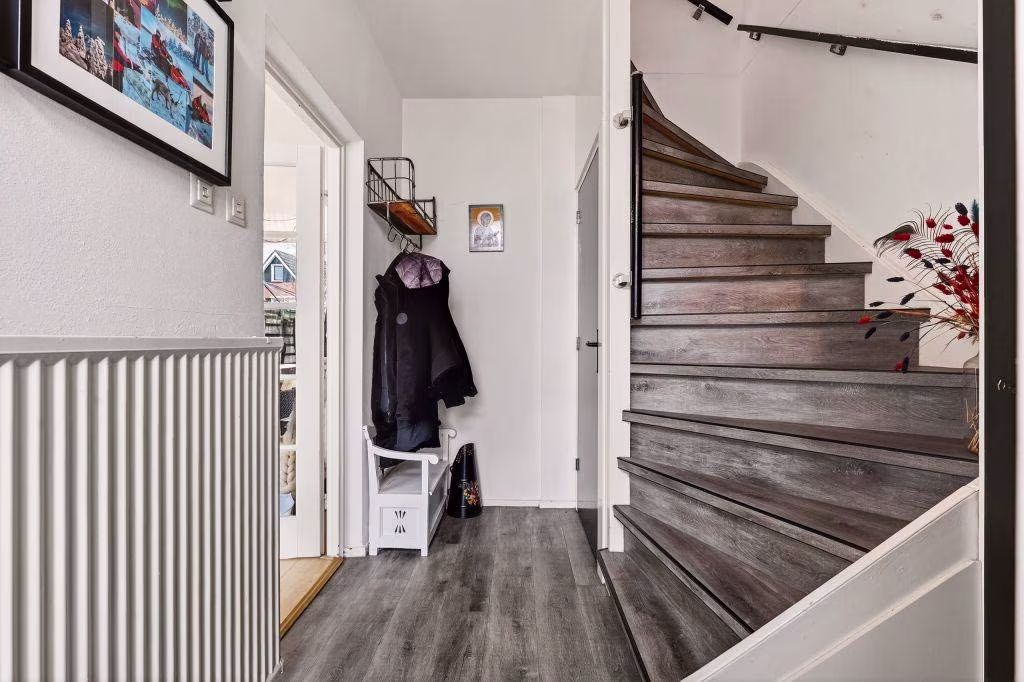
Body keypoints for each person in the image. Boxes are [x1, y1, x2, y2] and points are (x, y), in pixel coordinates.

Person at [111, 25, 138, 92]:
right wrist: (136, 67)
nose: (120, 37)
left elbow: (123, 58)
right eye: (119, 34)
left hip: (117, 72)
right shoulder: (114, 44)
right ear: (115, 32)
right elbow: (123, 59)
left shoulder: (115, 44)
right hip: (116, 72)